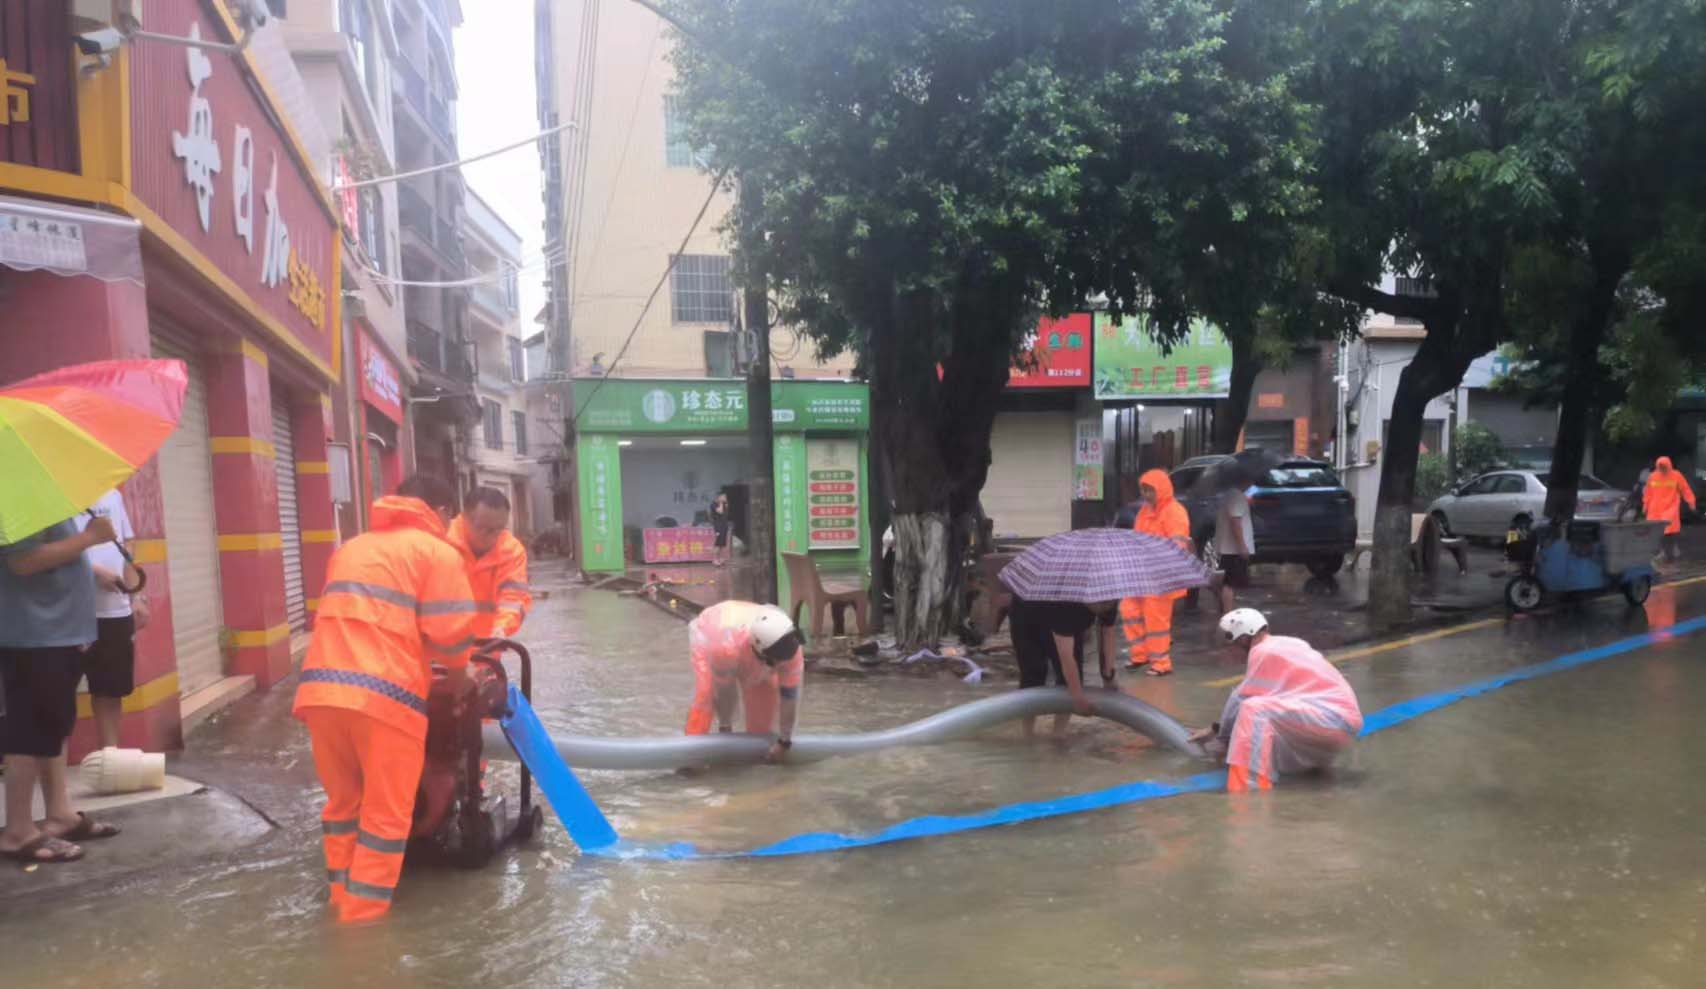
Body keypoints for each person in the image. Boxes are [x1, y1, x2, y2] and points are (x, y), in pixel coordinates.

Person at [292, 475, 478, 922]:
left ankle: (341, 902)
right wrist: (460, 676)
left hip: (321, 693)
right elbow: (452, 635)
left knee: (344, 808)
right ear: (441, 512)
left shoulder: (351, 548)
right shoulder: (437, 552)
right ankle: (362, 931)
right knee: (385, 818)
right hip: (386, 697)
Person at [1, 514, 121, 864]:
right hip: (34, 635)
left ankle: (60, 814)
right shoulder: (20, 501)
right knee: (28, 733)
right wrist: (89, 538)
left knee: (51, 727)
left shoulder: (47, 503)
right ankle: (18, 831)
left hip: (57, 634)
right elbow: (22, 561)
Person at [1190, 609, 1362, 792]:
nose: (1228, 652)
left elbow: (1243, 698)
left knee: (1254, 710)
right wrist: (1217, 729)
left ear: (1244, 639)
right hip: (1338, 722)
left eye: (1230, 645)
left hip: (1329, 718)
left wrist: (1222, 740)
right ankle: (1312, 772)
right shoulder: (1286, 643)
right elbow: (1244, 692)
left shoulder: (1262, 652)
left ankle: (1249, 789)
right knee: (1262, 712)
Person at [75, 489, 150, 749]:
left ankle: (110, 756)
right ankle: (53, 771)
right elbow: (46, 553)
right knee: (57, 696)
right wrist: (93, 571)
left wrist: (136, 596)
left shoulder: (112, 495)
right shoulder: (54, 497)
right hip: (70, 614)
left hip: (114, 611)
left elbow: (126, 547)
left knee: (110, 691)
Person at [684, 601, 804, 762]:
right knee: (706, 693)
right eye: (778, 658)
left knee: (766, 690)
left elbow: (789, 698)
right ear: (761, 652)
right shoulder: (723, 649)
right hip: (712, 635)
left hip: (748, 641)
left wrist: (785, 741)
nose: (784, 662)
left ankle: (758, 750)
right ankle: (691, 755)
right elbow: (723, 690)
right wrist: (725, 727)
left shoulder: (791, 649)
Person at [1006, 593, 1119, 737]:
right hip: (1027, 614)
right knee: (1034, 674)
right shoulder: (1067, 606)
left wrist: (1108, 676)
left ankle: (1058, 734)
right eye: (1099, 605)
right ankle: (1027, 733)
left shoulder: (1109, 594)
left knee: (1072, 679)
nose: (1103, 609)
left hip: (1066, 617)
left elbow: (1107, 633)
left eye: (1107, 605)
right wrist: (1078, 698)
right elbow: (1067, 657)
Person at [1120, 469, 1191, 676]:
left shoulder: (1174, 511)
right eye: (1143, 490)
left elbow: (1178, 546)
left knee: (1156, 620)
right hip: (1141, 572)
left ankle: (1161, 663)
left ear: (1161, 489)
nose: (1145, 494)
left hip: (1162, 574)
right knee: (1129, 610)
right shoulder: (1145, 511)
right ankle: (1140, 655)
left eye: (1149, 490)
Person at [446, 486, 531, 640]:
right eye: (485, 529)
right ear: (465, 518)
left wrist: (502, 627)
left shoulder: (511, 550)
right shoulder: (439, 542)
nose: (493, 537)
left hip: (488, 646)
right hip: (441, 649)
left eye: (499, 529)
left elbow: (513, 599)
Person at [1213, 470, 1255, 613]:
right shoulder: (1236, 496)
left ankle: (1224, 610)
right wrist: (1242, 546)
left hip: (1228, 548)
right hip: (1233, 549)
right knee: (1229, 584)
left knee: (1226, 582)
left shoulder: (1229, 494)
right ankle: (1228, 614)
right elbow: (1235, 521)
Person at [1642, 456, 1695, 562]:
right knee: (1656, 530)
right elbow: (1648, 493)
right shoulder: (1653, 476)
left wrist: (1691, 502)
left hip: (1671, 507)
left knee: (1670, 529)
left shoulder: (1676, 475)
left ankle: (1674, 548)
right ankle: (1662, 551)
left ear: (1669, 465)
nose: (1662, 469)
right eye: (1660, 467)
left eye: (1664, 467)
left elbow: (1685, 489)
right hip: (1655, 508)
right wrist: (1645, 505)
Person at [710, 491, 732, 567]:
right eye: (724, 497)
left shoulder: (725, 504)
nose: (725, 498)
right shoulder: (713, 504)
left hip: (724, 525)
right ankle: (715, 560)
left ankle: (721, 559)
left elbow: (726, 513)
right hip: (718, 526)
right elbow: (720, 511)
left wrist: (725, 504)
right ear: (719, 497)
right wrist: (721, 503)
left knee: (723, 544)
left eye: (725, 497)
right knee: (718, 543)